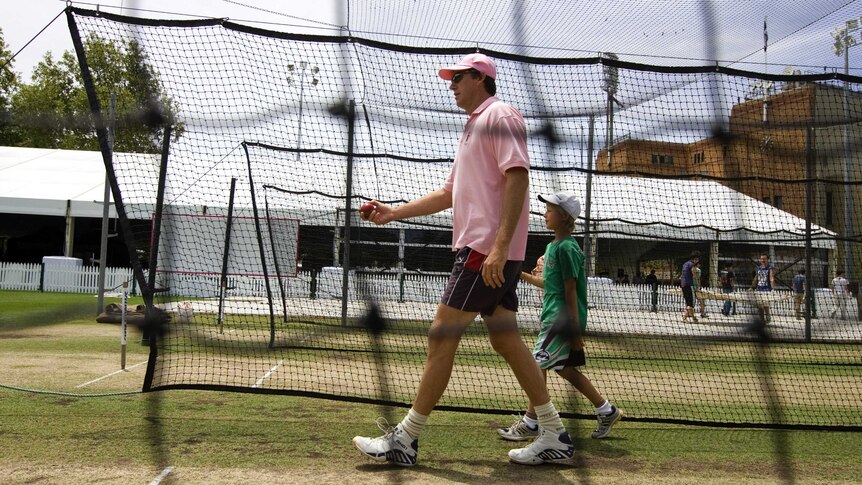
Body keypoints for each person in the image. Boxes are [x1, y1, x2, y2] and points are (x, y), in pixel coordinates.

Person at [352, 53, 573, 466]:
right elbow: (447, 194)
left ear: (480, 78)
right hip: (485, 251)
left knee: (441, 335)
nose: (450, 84)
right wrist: (394, 212)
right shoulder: (472, 128)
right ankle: (555, 434)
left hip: (485, 251)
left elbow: (518, 176)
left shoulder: (500, 116)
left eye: (457, 77)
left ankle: (407, 437)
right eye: (450, 78)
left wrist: (501, 247)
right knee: (506, 340)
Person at [497, 192, 623, 443]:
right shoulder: (553, 246)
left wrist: (574, 330)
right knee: (563, 368)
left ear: (564, 217)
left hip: (562, 319)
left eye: (550, 210)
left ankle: (532, 422)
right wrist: (520, 274)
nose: (545, 214)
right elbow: (550, 284)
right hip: (553, 315)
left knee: (536, 365)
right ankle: (605, 410)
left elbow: (570, 290)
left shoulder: (567, 248)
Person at [751, 254, 775, 323]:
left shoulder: (770, 268)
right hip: (759, 289)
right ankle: (762, 319)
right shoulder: (759, 268)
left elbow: (771, 278)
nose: (762, 260)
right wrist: (752, 287)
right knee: (759, 305)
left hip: (767, 289)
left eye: (764, 259)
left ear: (767, 259)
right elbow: (756, 278)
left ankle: (767, 315)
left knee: (765, 304)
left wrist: (773, 288)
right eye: (761, 259)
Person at [680, 251, 700, 323]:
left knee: (688, 303)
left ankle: (692, 318)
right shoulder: (692, 265)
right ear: (696, 258)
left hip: (683, 284)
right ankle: (686, 318)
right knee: (691, 303)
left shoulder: (685, 264)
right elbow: (694, 274)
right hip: (689, 285)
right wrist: (698, 284)